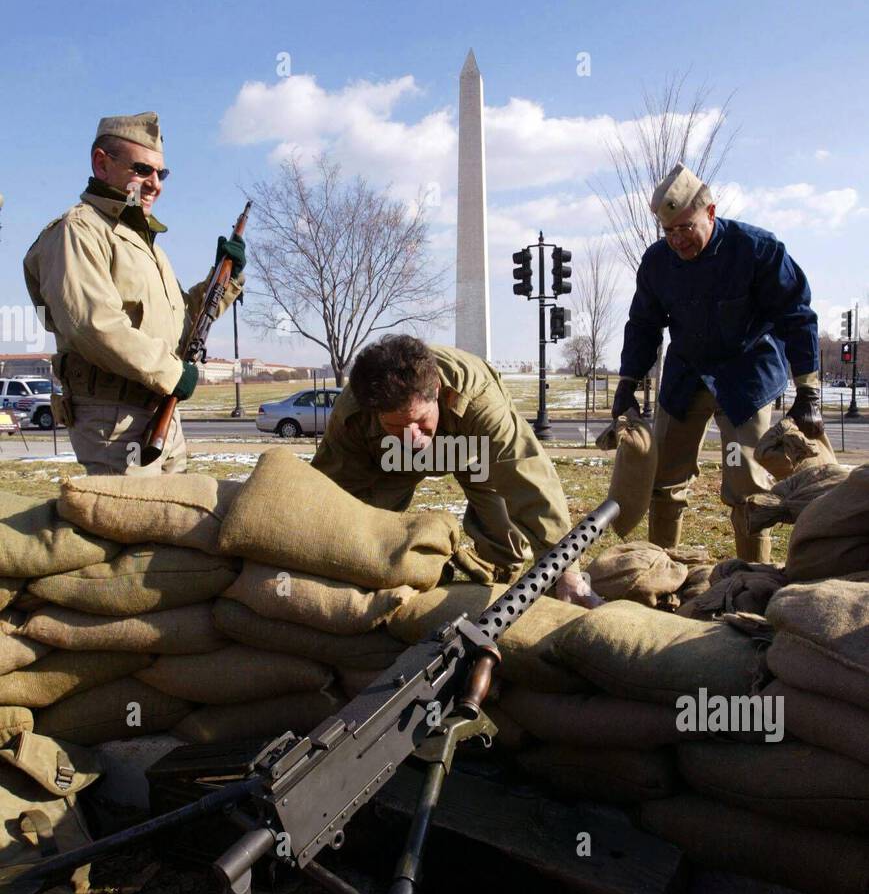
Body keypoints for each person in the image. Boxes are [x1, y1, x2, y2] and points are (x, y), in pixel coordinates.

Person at [612, 163, 820, 562]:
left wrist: (808, 390)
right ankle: (660, 571)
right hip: (687, 377)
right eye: (669, 232)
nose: (677, 240)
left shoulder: (758, 250)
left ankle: (751, 579)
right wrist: (627, 383)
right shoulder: (657, 263)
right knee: (664, 478)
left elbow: (797, 314)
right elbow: (643, 325)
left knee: (744, 482)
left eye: (686, 228)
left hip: (746, 378)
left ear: (710, 212)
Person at [23, 111, 245, 475]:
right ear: (101, 164)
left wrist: (223, 279)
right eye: (143, 170)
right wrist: (172, 372)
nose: (156, 184)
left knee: (175, 525)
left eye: (162, 173)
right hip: (115, 423)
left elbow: (184, 324)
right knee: (135, 528)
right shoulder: (79, 232)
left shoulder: (144, 244)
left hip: (162, 414)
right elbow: (92, 326)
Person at [312, 335, 597, 606]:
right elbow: (331, 492)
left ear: (436, 391)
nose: (414, 438)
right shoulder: (354, 411)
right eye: (396, 426)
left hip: (474, 452)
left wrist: (564, 567)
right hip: (392, 461)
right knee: (368, 539)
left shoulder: (479, 398)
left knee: (506, 546)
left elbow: (527, 474)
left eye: (420, 422)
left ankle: (493, 584)